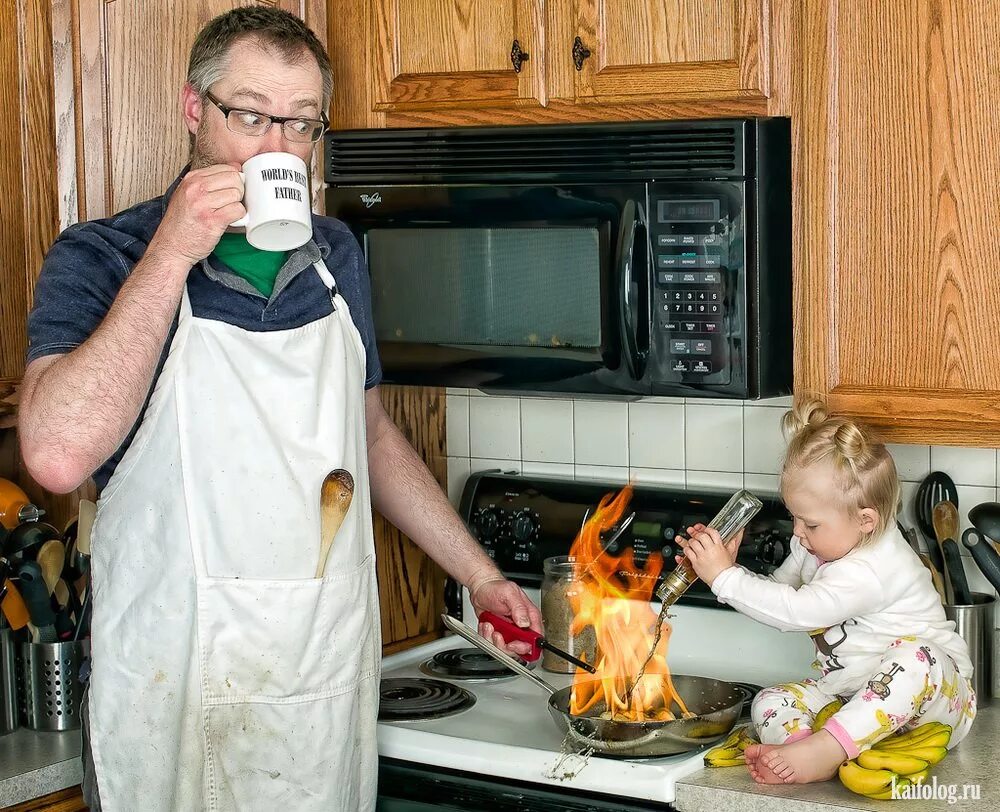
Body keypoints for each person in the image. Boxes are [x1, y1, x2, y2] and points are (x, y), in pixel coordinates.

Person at [17, 7, 540, 810]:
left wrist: (480, 573)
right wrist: (172, 252)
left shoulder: (335, 258)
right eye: (251, 115)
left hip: (317, 684)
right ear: (196, 109)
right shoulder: (104, 256)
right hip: (172, 685)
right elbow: (57, 455)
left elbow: (367, 435)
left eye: (299, 125)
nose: (275, 147)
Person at [679, 398, 975, 785]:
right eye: (794, 518)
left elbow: (798, 612)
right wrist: (730, 570)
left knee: (918, 659)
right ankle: (807, 747)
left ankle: (825, 750)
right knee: (770, 701)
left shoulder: (875, 566)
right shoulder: (817, 546)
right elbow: (780, 595)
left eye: (811, 524)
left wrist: (724, 578)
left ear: (865, 520)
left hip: (936, 699)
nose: (798, 533)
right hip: (851, 696)